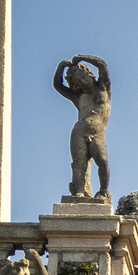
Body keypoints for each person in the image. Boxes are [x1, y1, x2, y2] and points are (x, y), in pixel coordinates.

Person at [53, 54, 111, 199]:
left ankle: (104, 190)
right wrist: (61, 68)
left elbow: (102, 65)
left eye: (84, 78)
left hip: (97, 133)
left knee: (102, 161)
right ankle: (79, 190)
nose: (83, 82)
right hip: (79, 131)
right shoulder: (78, 97)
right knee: (80, 164)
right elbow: (58, 86)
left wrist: (83, 58)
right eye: (79, 82)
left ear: (90, 75)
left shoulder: (102, 88)